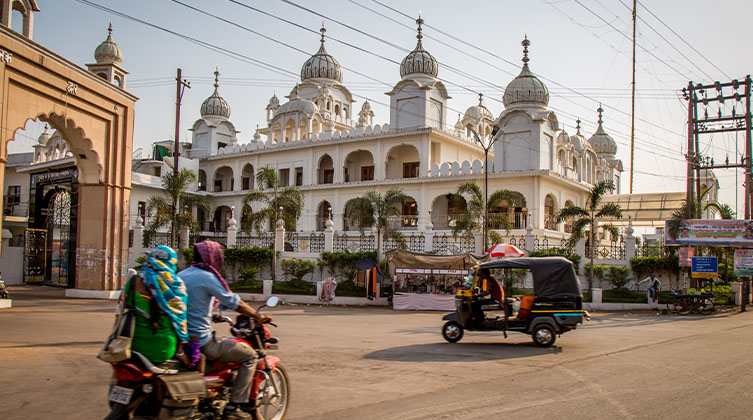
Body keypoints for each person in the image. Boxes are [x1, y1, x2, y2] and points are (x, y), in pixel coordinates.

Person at [179, 241, 271, 420]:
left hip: (182, 339)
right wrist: (257, 316)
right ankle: (235, 404)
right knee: (250, 356)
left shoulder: (182, 274)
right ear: (213, 258)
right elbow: (234, 302)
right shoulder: (207, 277)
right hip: (202, 342)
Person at [122, 246, 189, 365]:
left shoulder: (133, 281)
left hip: (133, 345)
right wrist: (180, 353)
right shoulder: (176, 285)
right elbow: (180, 322)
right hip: (163, 349)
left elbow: (121, 309)